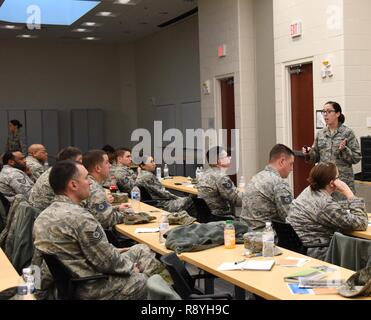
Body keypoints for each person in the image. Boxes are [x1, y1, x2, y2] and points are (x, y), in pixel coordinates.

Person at [33, 160, 165, 300]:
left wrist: (37, 292)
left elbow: (38, 262)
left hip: (70, 284)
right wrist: (132, 269)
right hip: (94, 288)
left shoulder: (42, 218)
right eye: (86, 178)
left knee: (140, 249)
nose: (90, 182)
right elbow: (107, 262)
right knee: (149, 280)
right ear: (73, 185)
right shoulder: (81, 218)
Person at [287, 162, 368, 261]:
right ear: (332, 183)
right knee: (363, 252)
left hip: (298, 248)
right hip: (317, 252)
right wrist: (349, 193)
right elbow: (361, 223)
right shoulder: (324, 203)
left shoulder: (309, 191)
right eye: (338, 177)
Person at [303, 101, 361, 200]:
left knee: (343, 213)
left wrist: (344, 150)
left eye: (329, 111)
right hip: (324, 184)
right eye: (324, 112)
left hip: (342, 183)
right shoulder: (320, 134)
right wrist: (309, 153)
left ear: (338, 114)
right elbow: (315, 157)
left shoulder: (347, 133)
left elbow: (356, 158)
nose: (325, 114)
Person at [240, 144, 295, 230]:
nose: (292, 168)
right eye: (291, 164)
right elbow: (291, 216)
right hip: (267, 237)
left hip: (245, 234)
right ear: (282, 161)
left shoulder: (256, 177)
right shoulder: (279, 183)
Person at [82, 150, 132, 229]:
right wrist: (130, 214)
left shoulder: (88, 183)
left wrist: (117, 208)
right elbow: (106, 220)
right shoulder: (95, 189)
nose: (110, 165)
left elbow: (94, 210)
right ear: (98, 168)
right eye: (107, 162)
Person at [29, 146, 83, 211]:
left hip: (41, 211)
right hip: (45, 213)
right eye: (79, 160)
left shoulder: (55, 170)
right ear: (69, 162)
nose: (82, 163)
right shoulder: (62, 175)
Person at [197, 146, 243, 218]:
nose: (230, 158)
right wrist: (252, 194)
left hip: (205, 216)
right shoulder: (221, 177)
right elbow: (237, 200)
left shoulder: (204, 174)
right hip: (220, 217)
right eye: (227, 156)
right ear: (218, 161)